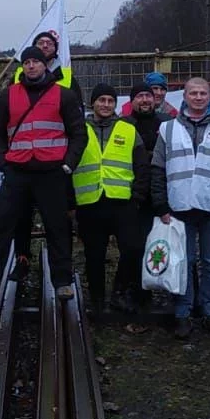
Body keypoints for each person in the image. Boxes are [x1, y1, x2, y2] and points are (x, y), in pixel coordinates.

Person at [0, 46, 88, 297]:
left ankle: (62, 281)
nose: (31, 66)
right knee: (0, 224)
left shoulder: (63, 95)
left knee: (57, 227)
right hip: (18, 171)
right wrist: (3, 161)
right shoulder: (9, 95)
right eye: (27, 63)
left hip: (52, 172)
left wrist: (68, 164)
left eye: (36, 61)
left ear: (45, 65)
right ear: (22, 67)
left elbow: (79, 133)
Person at [150, 77, 210, 339]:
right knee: (183, 263)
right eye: (193, 93)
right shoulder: (167, 129)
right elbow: (157, 169)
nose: (199, 97)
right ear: (185, 96)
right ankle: (183, 313)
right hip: (179, 209)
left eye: (203, 93)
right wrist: (160, 205)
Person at [10, 29, 82, 281]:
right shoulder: (17, 78)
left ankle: (60, 269)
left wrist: (68, 161)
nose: (44, 46)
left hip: (55, 163)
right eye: (39, 43)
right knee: (21, 214)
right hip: (23, 162)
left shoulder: (67, 77)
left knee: (59, 217)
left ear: (55, 49)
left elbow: (77, 119)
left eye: (49, 43)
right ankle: (22, 258)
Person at [72, 82, 149, 314]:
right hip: (89, 202)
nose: (106, 105)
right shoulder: (78, 129)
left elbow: (142, 166)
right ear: (92, 103)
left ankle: (118, 292)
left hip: (122, 202)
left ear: (116, 104)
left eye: (110, 101)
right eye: (101, 100)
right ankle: (96, 299)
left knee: (132, 249)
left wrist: (136, 196)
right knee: (94, 255)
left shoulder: (128, 129)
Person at [124, 81, 169, 153]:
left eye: (148, 96)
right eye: (140, 96)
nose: (145, 100)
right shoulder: (124, 124)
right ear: (132, 101)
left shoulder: (167, 122)